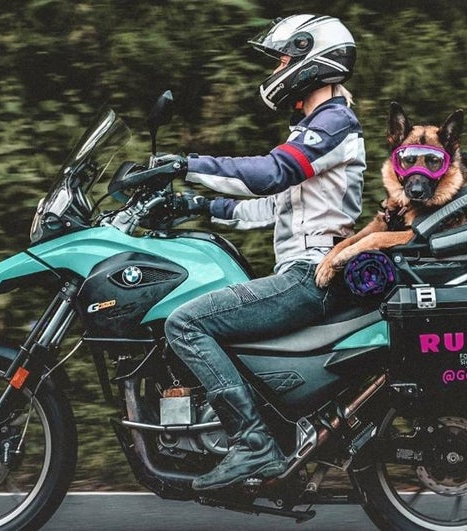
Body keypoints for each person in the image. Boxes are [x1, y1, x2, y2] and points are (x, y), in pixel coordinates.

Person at [164, 14, 365, 491]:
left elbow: (270, 174)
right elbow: (269, 207)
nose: (277, 68)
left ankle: (253, 444)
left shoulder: (334, 122)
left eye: (282, 58)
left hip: (311, 275)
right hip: (309, 272)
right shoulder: (314, 129)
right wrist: (192, 205)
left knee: (185, 323)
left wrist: (184, 164)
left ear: (310, 56)